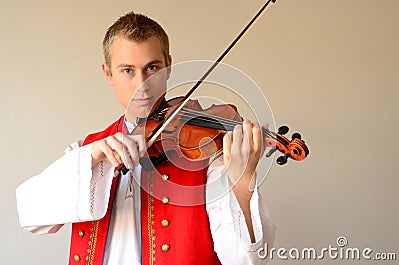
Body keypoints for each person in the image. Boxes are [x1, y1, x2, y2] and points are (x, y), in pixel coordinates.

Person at [16, 11, 276, 265]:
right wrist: (92, 157)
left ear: (169, 67)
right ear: (108, 73)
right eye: (127, 70)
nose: (142, 84)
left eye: (152, 68)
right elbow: (30, 216)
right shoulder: (86, 151)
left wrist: (242, 184)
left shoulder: (206, 155)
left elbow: (247, 260)